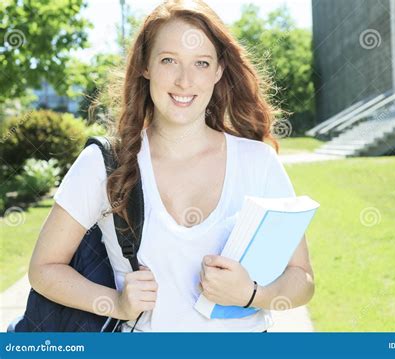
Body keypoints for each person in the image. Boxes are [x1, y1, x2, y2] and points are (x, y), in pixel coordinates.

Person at [28, 0, 315, 332]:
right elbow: (44, 268)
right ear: (145, 66)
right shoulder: (105, 163)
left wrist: (253, 294)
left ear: (219, 70)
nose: (184, 81)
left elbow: (302, 278)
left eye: (201, 63)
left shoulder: (258, 162)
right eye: (169, 60)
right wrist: (115, 302)